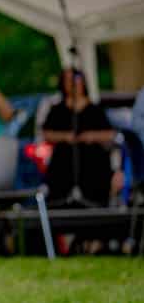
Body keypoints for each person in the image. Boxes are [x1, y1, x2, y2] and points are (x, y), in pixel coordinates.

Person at [43, 68, 114, 206]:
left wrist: (91, 136)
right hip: (64, 166)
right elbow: (46, 133)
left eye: (75, 79)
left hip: (93, 166)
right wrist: (64, 136)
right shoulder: (57, 110)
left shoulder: (95, 109)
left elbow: (110, 133)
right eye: (68, 80)